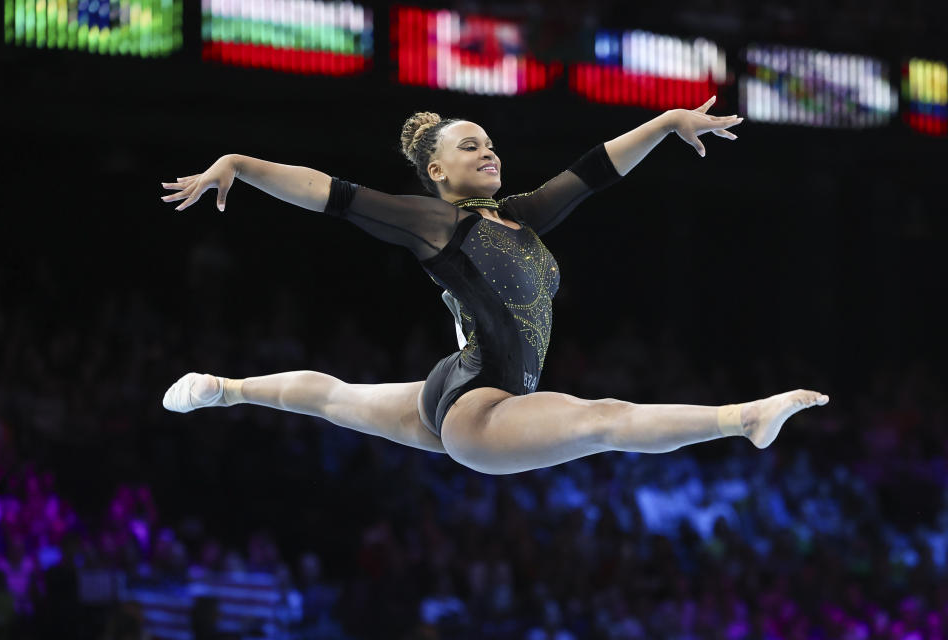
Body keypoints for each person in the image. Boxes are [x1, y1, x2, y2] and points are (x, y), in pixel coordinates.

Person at [160, 97, 828, 475]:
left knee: (336, 400)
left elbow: (594, 170)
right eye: (471, 147)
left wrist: (663, 124)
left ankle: (226, 390)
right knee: (602, 420)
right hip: (480, 409)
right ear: (436, 170)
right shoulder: (434, 222)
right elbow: (330, 193)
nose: (489, 151)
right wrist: (240, 164)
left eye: (491, 144)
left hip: (461, 384)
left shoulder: (522, 216)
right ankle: (742, 418)